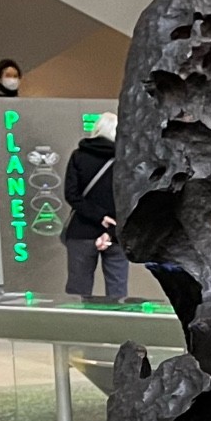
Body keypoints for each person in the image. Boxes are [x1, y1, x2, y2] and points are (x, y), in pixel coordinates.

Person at [63, 113, 128, 300]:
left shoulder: (78, 156)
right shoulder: (125, 160)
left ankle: (78, 328)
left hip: (81, 232)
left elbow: (72, 195)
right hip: (116, 233)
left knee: (78, 291)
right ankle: (117, 329)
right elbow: (127, 199)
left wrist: (99, 216)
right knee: (118, 292)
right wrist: (110, 228)